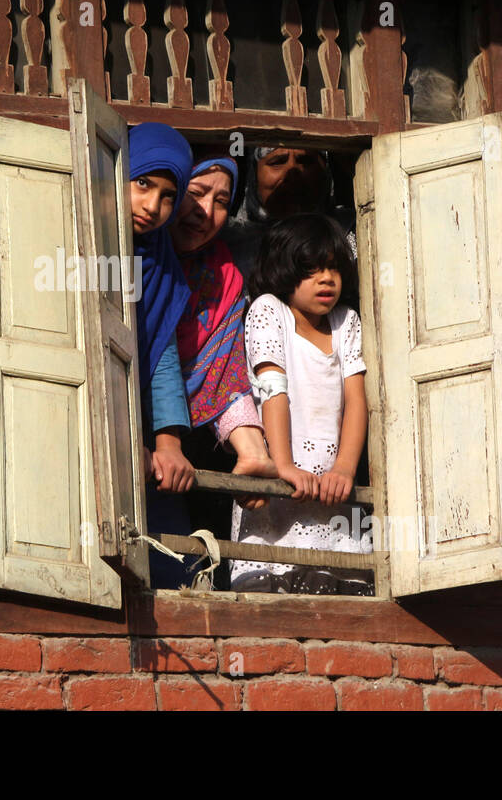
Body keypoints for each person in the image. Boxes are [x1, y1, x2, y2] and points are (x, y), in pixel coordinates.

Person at [233, 213, 371, 595]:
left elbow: (356, 402)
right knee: (274, 594)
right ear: (282, 268)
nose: (326, 279)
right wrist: (283, 466)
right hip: (280, 487)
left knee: (339, 598)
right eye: (311, 269)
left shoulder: (346, 322)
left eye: (334, 268)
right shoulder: (268, 310)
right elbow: (272, 389)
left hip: (332, 493)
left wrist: (344, 469)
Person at [170, 154, 275, 481]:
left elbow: (228, 370)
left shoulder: (223, 274)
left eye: (221, 202)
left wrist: (253, 452)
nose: (205, 211)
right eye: (195, 193)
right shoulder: (135, 259)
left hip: (188, 452)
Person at [127, 122, 198, 589]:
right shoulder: (76, 248)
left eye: (168, 196)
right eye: (142, 183)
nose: (153, 206)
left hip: (142, 447)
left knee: (168, 571)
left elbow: (163, 359)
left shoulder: (161, 267)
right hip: (78, 428)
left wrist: (168, 443)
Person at [223, 145, 341, 281]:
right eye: (277, 162)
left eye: (305, 161)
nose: (292, 173)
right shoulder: (226, 251)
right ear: (254, 175)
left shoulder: (349, 234)